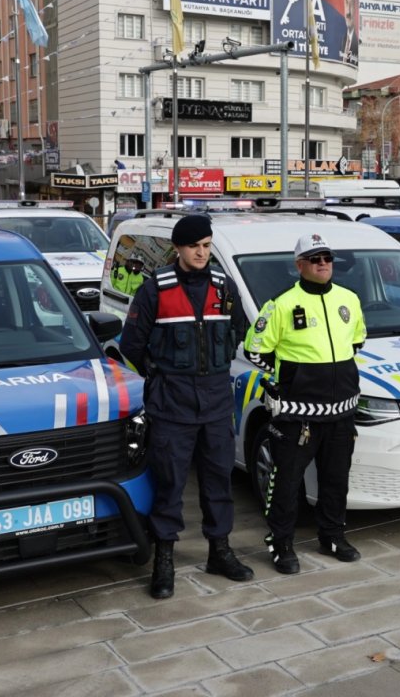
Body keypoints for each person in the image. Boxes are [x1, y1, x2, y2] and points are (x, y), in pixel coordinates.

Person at [120, 215, 253, 599]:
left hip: (214, 402)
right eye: (194, 245)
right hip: (171, 405)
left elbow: (238, 333)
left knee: (218, 480)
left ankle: (220, 551)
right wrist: (161, 379)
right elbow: (131, 346)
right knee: (170, 485)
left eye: (207, 245)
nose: (201, 252)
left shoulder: (223, 287)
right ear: (178, 248)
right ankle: (164, 561)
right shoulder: (154, 290)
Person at [245, 234, 367, 574]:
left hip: (341, 411)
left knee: (335, 479)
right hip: (298, 415)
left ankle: (332, 536)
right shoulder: (281, 304)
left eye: (327, 257)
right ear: (299, 265)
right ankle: (281, 544)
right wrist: (292, 378)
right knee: (286, 482)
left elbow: (356, 341)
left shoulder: (349, 299)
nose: (323, 263)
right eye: (315, 259)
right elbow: (256, 350)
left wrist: (333, 375)